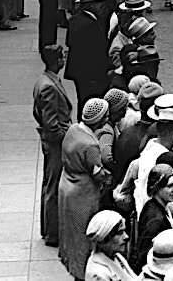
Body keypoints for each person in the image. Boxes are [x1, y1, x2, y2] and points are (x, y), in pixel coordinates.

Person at [59, 98, 113, 280]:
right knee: (83, 237)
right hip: (83, 194)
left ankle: (73, 267)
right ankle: (82, 273)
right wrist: (110, 177)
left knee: (71, 235)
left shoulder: (74, 130)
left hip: (67, 185)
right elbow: (98, 173)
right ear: (100, 119)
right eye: (106, 115)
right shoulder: (90, 145)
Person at [33, 45, 72, 249]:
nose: (64, 59)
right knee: (54, 184)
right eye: (62, 56)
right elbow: (51, 122)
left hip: (52, 140)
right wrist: (68, 136)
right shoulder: (48, 86)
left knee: (50, 183)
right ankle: (52, 232)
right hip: (55, 142)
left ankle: (49, 228)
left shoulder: (46, 80)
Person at [66, 0, 112, 108]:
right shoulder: (89, 23)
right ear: (90, 5)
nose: (100, 6)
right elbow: (97, 49)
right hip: (90, 71)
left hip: (80, 70)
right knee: (90, 102)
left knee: (82, 100)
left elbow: (69, 42)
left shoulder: (75, 20)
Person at [134, 165, 173, 272]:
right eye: (170, 186)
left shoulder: (157, 206)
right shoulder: (155, 220)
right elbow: (145, 256)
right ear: (157, 187)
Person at [83, 210, 137, 281]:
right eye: (120, 233)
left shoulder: (117, 257)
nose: (126, 236)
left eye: (124, 231)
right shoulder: (98, 274)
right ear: (105, 238)